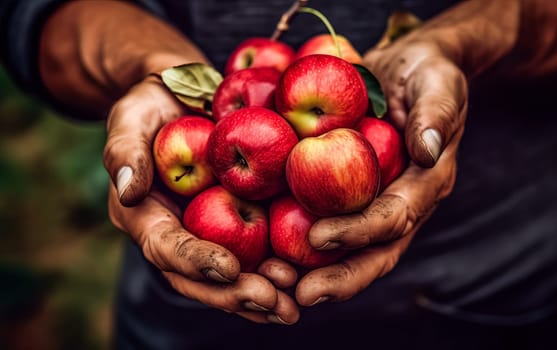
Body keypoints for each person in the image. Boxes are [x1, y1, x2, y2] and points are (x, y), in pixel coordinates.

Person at [2, 0, 557, 348]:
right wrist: (148, 66)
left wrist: (468, 38)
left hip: (497, 290)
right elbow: (36, 16)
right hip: (195, 319)